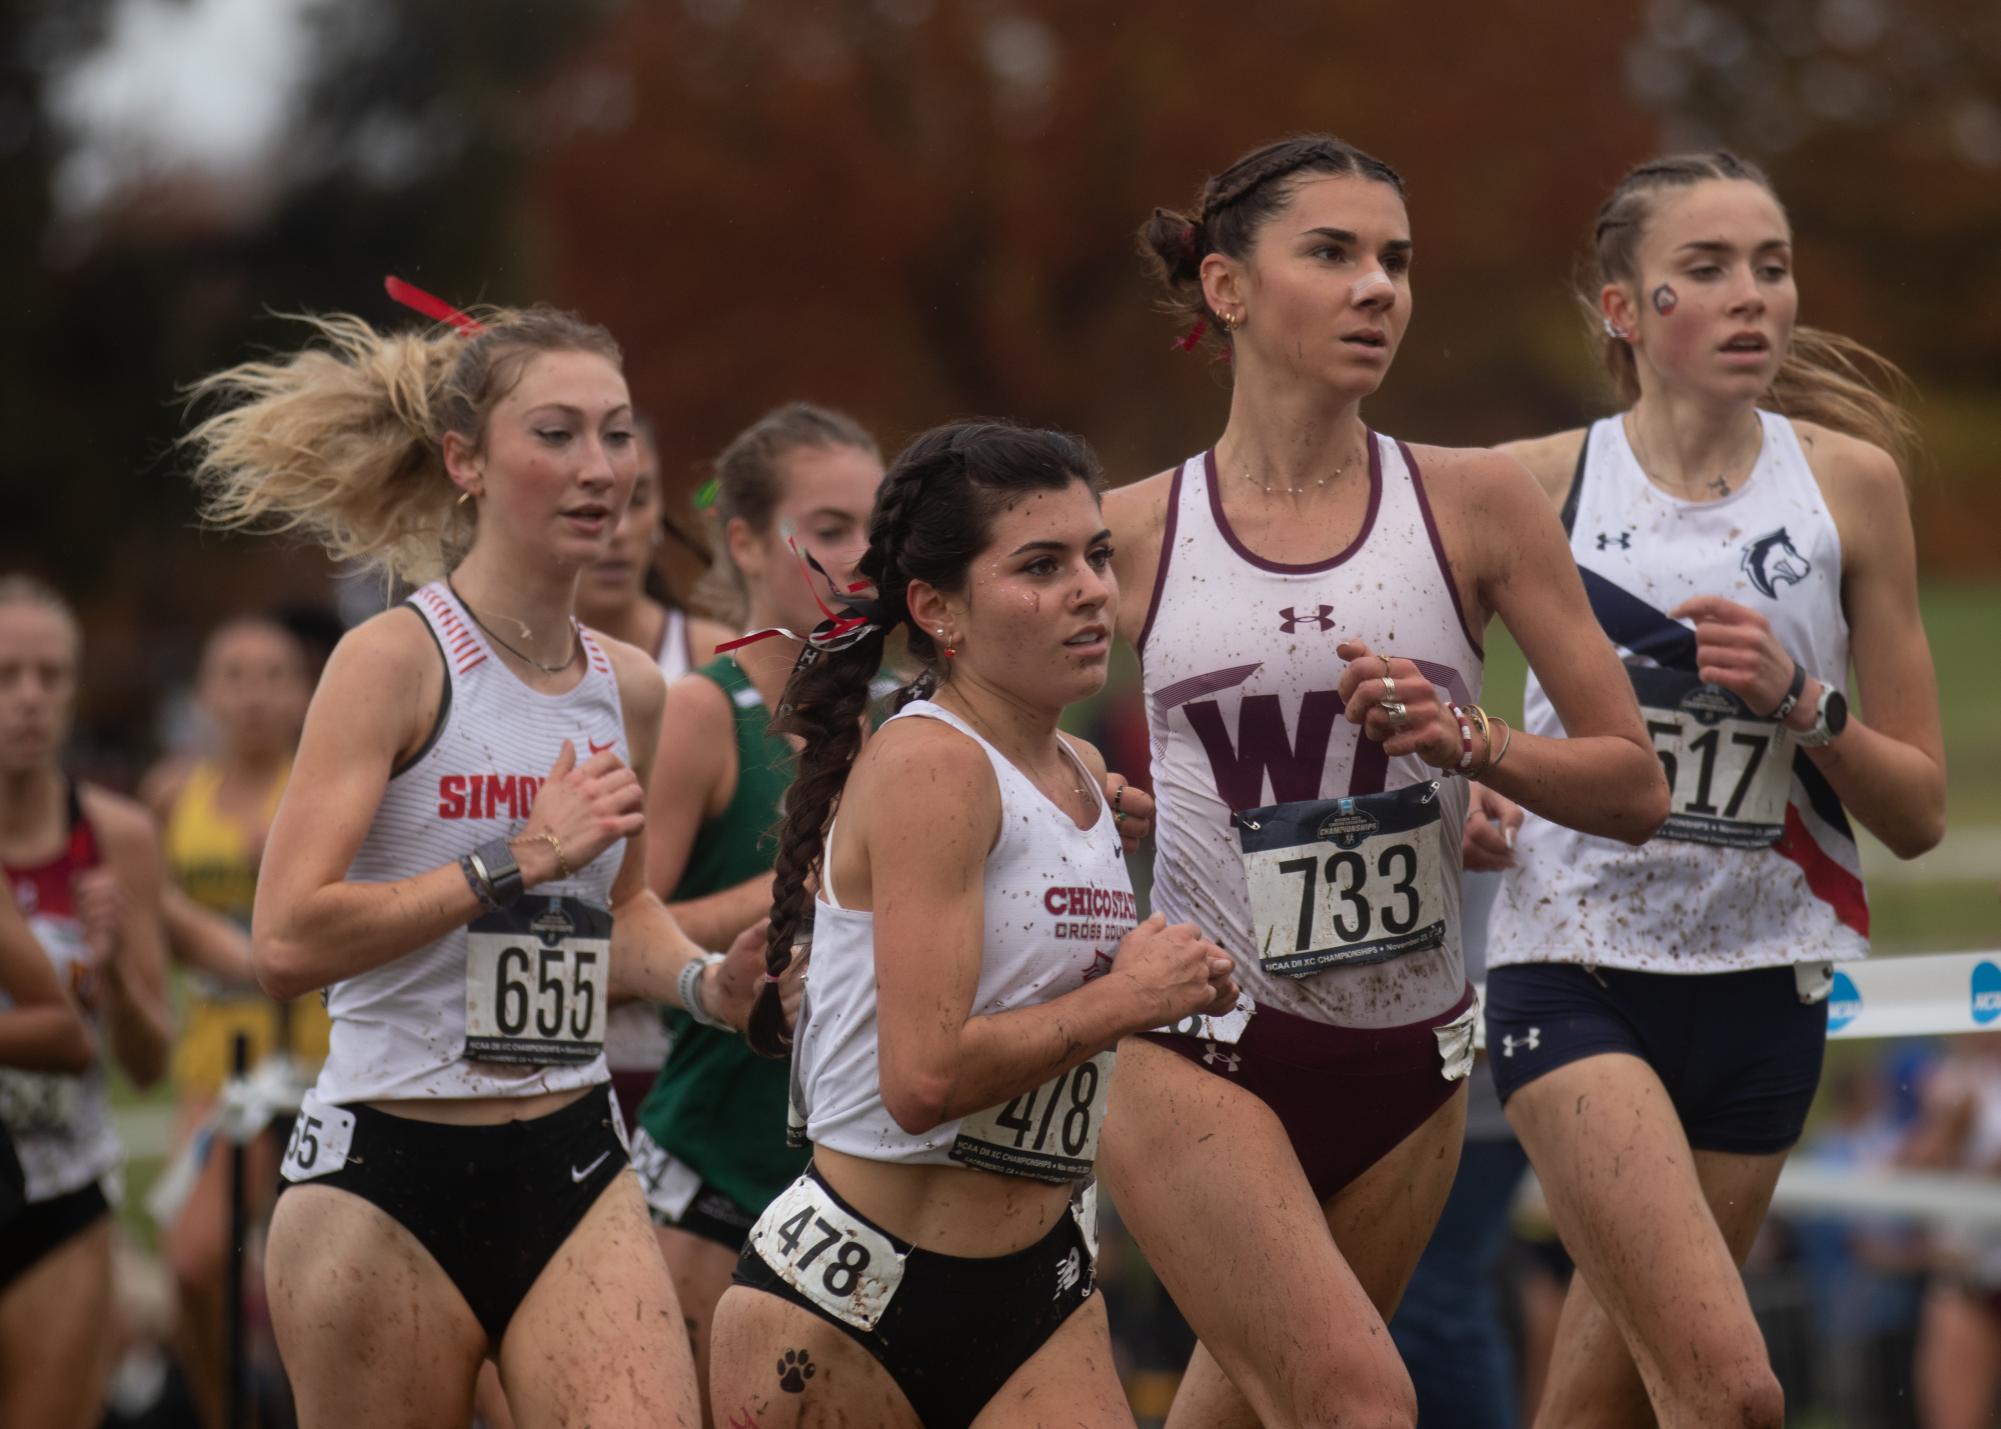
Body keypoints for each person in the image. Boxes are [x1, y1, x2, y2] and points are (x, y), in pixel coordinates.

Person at [1098, 133, 1669, 1429]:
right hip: (1200, 1047)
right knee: (1362, 1403)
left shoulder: (1475, 504)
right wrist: (1075, 792)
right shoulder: (1123, 530)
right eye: (1334, 254)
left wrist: (1474, 746)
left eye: (1396, 261)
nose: (1379, 289)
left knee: (1248, 1407)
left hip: (1411, 1058)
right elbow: (932, 699)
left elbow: (1634, 784)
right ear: (1228, 289)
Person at [182, 303, 769, 1429]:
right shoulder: (393, 661)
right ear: (466, 461)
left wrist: (704, 983)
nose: (598, 468)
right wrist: (516, 855)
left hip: (573, 1156)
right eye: (556, 435)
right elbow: (286, 941)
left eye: (616, 434)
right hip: (389, 1176)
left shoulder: (632, 687)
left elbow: (626, 905)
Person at [1483, 150, 1945, 1428]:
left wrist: (1804, 704)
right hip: (1572, 972)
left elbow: (1916, 814)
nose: (1753, 297)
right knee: (1731, 1390)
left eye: (1772, 267)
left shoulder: (1851, 485)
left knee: (1606, 1404)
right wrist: (1460, 787)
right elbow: (1400, 685)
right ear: (1625, 309)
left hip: (1765, 986)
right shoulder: (1530, 484)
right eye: (1708, 269)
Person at [708, 420, 1237, 1429]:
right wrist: (1131, 996)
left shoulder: (1077, 769)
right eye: (1040, 565)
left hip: (1036, 1291)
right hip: (853, 1301)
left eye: (1097, 555)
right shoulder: (932, 764)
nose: (1089, 589)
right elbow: (925, 1081)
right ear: (938, 609)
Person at [627, 401, 883, 1422]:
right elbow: (624, 928)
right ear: (743, 541)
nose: (860, 556)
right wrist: (796, 875)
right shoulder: (705, 706)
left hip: (862, 1177)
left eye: (877, 529)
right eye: (827, 531)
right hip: (714, 1162)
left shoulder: (913, 711)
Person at [0, 574, 175, 1429]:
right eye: (6, 676)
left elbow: (150, 1064)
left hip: (61, 1189)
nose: (29, 698)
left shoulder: (117, 838)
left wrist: (112, 981)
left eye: (50, 674)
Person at [141, 614, 317, 1427]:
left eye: (275, 673)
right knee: (193, 1257)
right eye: (235, 674)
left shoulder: (326, 787)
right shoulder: (172, 796)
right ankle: (225, 1410)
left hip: (325, 1066)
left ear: (306, 690)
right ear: (206, 692)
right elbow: (148, 925)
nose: (254, 694)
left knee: (316, 1284)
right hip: (219, 1068)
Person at [571, 416, 734, 1129]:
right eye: (595, 506)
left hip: (694, 1054)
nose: (615, 529)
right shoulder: (481, 666)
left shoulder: (719, 661)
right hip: (537, 1052)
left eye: (639, 501)